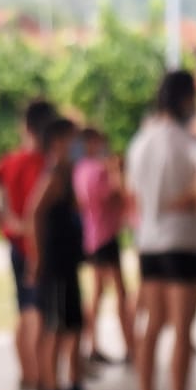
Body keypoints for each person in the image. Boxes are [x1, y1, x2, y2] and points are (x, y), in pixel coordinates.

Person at [127, 69, 196, 390]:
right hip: (182, 241)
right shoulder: (186, 140)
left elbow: (132, 191)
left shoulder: (140, 142)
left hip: (149, 242)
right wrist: (189, 197)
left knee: (152, 324)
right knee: (182, 328)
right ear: (185, 99)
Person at [26, 117, 107, 390]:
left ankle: (74, 386)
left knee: (74, 327)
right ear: (58, 143)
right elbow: (33, 214)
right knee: (56, 330)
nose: (79, 146)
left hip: (70, 265)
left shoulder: (69, 175)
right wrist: (37, 259)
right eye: (73, 140)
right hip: (56, 268)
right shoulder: (52, 178)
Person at [0, 99, 56, 390]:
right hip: (37, 247)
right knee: (38, 313)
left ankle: (28, 375)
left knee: (24, 310)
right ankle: (42, 378)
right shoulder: (45, 165)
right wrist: (10, 222)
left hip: (17, 245)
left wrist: (4, 221)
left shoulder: (12, 160)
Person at [73, 127, 133, 367]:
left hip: (95, 236)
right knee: (118, 294)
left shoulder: (81, 170)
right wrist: (117, 171)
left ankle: (92, 345)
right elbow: (117, 196)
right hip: (104, 237)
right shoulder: (97, 170)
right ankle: (128, 346)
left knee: (98, 294)